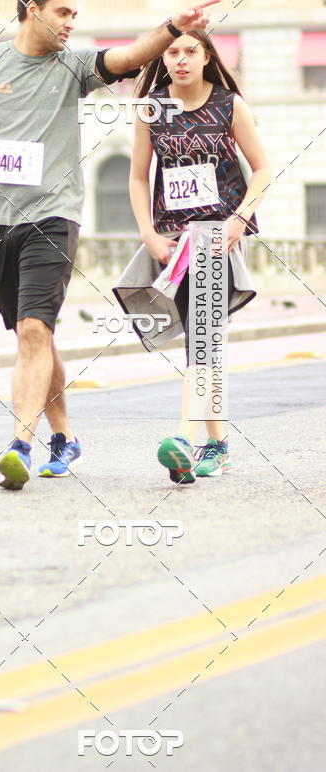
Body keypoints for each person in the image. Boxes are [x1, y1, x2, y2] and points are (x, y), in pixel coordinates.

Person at [0, 0, 219, 491]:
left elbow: (124, 59)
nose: (72, 23)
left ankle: (19, 446)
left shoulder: (73, 67)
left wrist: (171, 27)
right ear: (32, 8)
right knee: (36, 336)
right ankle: (64, 437)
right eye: (63, 12)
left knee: (34, 331)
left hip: (54, 217)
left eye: (76, 14)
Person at [113, 30, 271, 484]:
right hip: (172, 241)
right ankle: (216, 446)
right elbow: (138, 178)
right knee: (200, 345)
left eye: (190, 52)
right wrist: (149, 233)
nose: (180, 59)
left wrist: (239, 220)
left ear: (206, 57)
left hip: (215, 238)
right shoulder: (151, 110)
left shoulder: (230, 106)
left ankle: (184, 438)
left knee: (201, 341)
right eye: (172, 52)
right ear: (163, 59)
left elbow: (262, 168)